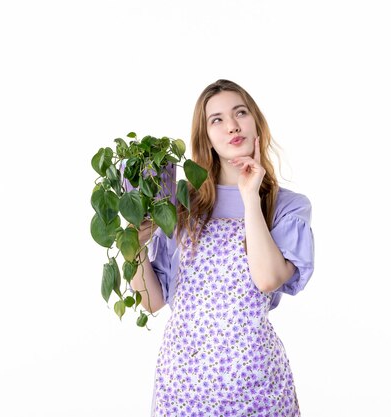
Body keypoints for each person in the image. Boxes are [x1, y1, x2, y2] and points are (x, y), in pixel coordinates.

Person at [131, 79, 315, 417]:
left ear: (256, 122)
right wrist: (135, 247)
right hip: (184, 386)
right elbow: (152, 301)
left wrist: (250, 197)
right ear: (206, 137)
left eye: (240, 113)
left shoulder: (287, 207)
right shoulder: (180, 203)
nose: (232, 125)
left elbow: (267, 279)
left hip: (257, 389)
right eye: (216, 119)